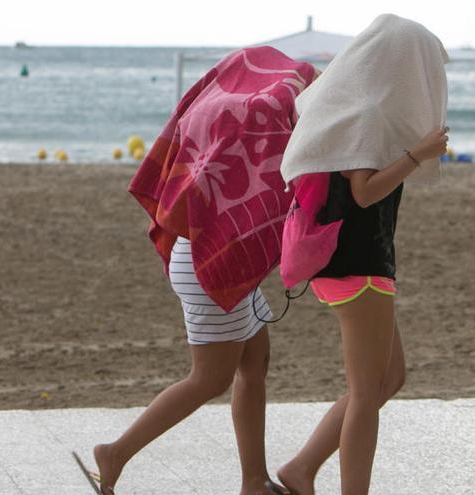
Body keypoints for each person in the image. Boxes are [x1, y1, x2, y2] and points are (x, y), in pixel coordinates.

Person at [77, 47, 319, 495]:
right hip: (211, 264)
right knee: (210, 378)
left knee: (255, 363)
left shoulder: (230, 132)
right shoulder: (253, 134)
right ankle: (115, 453)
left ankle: (253, 481)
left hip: (216, 260)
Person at [275, 15, 450, 495]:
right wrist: (419, 152)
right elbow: (365, 192)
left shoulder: (357, 103)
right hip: (359, 265)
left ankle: (301, 469)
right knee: (367, 393)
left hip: (353, 263)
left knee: (389, 378)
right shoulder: (368, 112)